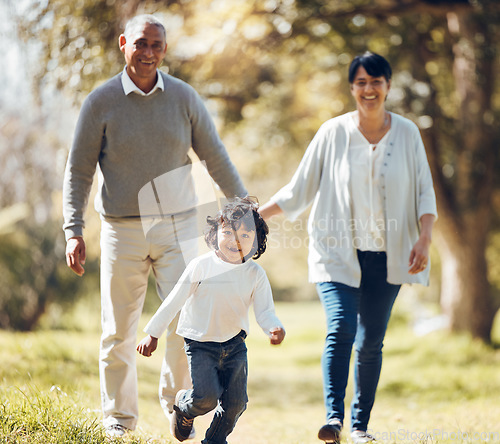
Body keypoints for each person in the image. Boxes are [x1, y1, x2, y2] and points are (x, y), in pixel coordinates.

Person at [62, 14, 247, 438]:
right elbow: (78, 172)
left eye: (157, 45)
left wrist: (242, 210)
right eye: (141, 43)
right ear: (124, 43)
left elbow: (215, 156)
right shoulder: (100, 102)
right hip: (121, 230)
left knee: (187, 320)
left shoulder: (183, 98)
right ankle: (119, 420)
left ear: (165, 49)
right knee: (118, 330)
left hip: (177, 226)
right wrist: (73, 229)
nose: (148, 53)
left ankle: (178, 406)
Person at [259, 51, 437, 444]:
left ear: (388, 86)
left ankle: (360, 426)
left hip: (390, 257)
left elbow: (425, 191)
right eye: (361, 82)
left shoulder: (407, 133)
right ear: (352, 87)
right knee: (340, 328)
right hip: (336, 252)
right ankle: (333, 419)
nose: (368, 89)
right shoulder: (332, 132)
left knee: (371, 340)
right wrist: (256, 215)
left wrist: (424, 237)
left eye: (376, 81)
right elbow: (299, 189)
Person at [137, 197, 285, 443]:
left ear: (256, 242)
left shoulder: (255, 274)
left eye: (245, 236)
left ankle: (214, 440)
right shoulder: (201, 266)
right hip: (200, 343)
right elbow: (174, 300)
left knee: (236, 403)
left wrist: (274, 327)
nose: (235, 240)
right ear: (215, 233)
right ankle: (184, 406)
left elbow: (264, 310)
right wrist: (152, 334)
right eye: (228, 232)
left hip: (235, 345)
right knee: (206, 398)